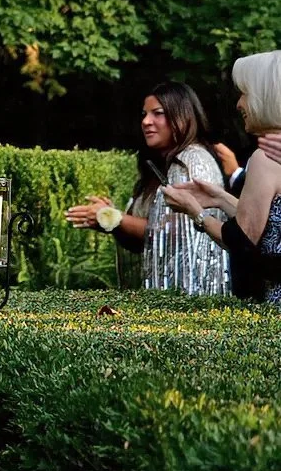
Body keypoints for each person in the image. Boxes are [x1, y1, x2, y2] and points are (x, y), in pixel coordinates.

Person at [65, 82, 229, 295]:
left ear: (183, 116)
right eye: (144, 114)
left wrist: (115, 218)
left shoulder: (191, 161)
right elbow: (146, 242)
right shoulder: (158, 166)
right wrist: (112, 222)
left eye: (157, 113)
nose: (146, 121)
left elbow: (173, 233)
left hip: (191, 300)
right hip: (162, 299)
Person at [164, 52, 281, 304]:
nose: (239, 104)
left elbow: (241, 240)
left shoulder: (266, 158)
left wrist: (196, 213)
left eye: (245, 93)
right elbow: (272, 223)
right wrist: (219, 198)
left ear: (266, 96)